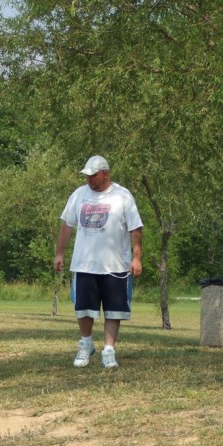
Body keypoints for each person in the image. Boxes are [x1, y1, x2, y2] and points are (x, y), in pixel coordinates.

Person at [54, 155, 143, 368]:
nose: (89, 179)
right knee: (84, 308)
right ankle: (86, 344)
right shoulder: (79, 195)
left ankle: (109, 350)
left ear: (105, 174)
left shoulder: (122, 196)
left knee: (114, 309)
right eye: (87, 175)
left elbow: (135, 228)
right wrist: (59, 253)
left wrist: (137, 258)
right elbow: (67, 226)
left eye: (93, 175)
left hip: (116, 265)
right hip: (84, 263)